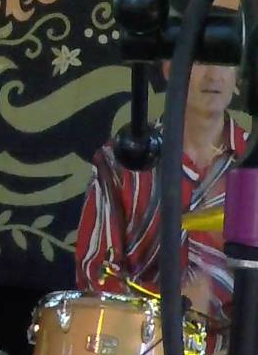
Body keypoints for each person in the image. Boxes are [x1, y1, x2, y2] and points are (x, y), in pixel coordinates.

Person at [75, 61, 246, 328]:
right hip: (139, 350)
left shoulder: (253, 168)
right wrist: (169, 302)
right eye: (201, 60)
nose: (214, 75)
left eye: (225, 61)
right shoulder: (120, 163)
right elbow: (94, 276)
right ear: (170, 68)